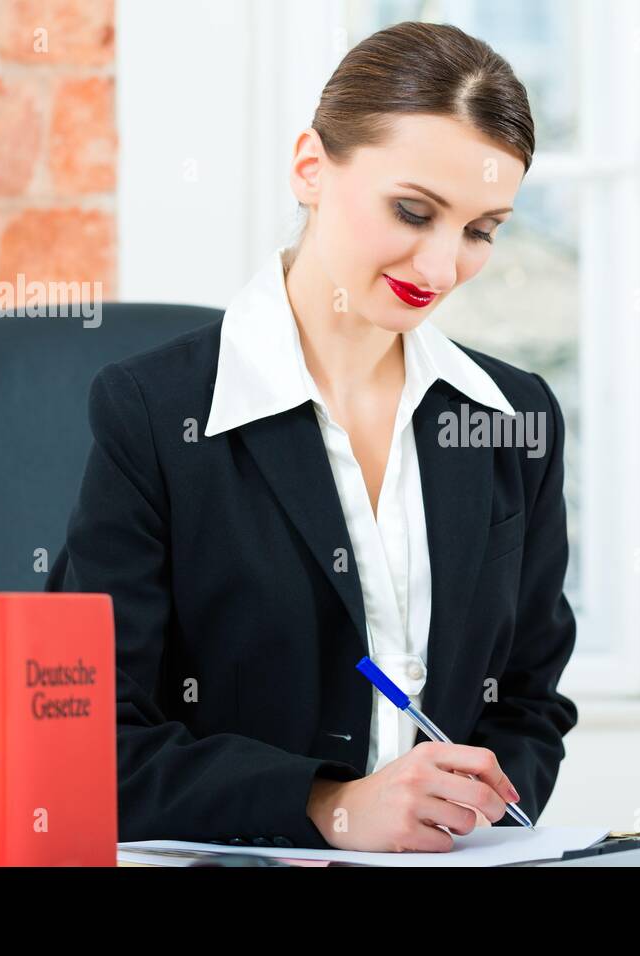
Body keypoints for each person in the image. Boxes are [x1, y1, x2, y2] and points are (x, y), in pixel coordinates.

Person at [47, 20, 578, 853]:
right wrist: (329, 804)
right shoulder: (153, 413)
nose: (440, 270)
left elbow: (529, 700)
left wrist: (472, 804)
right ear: (310, 169)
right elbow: (85, 746)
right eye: (413, 210)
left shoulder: (512, 420)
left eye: (481, 231)